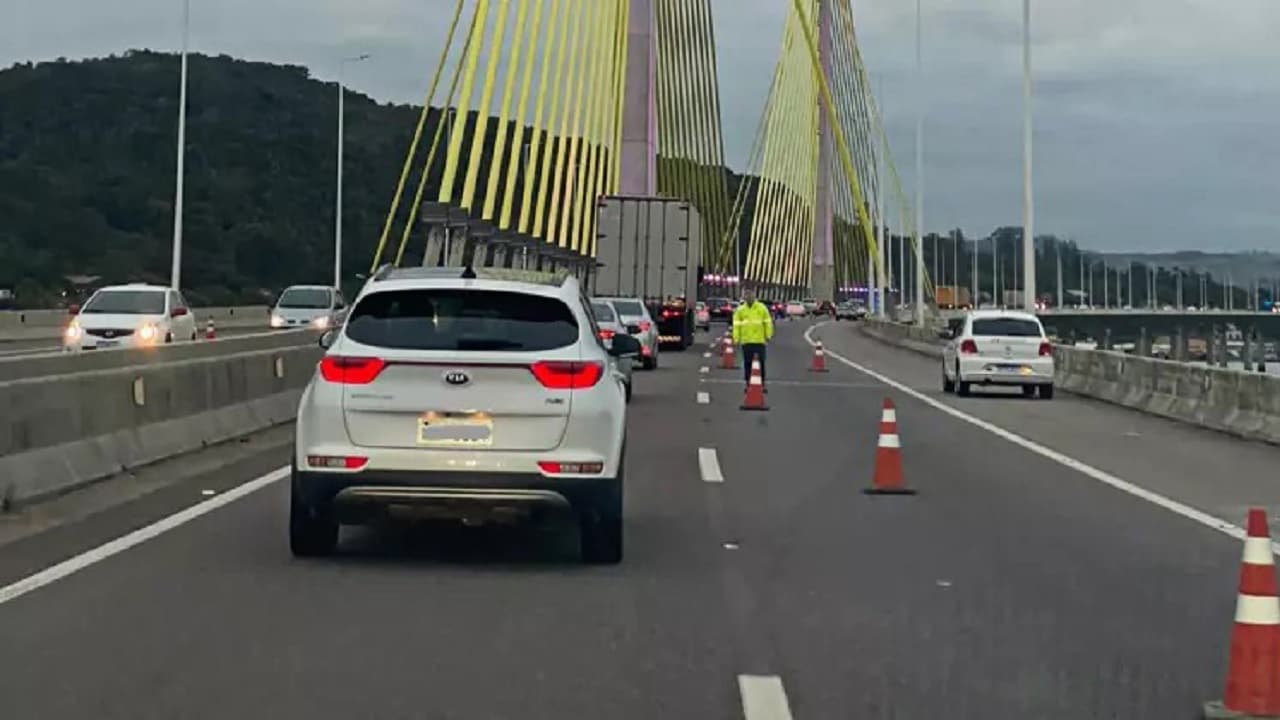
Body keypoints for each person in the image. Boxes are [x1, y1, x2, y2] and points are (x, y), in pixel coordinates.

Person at [732, 289, 774, 393]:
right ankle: (748, 383)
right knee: (747, 364)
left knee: (761, 363)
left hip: (759, 341)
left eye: (750, 295)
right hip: (746, 341)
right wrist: (736, 338)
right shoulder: (741, 310)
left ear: (754, 296)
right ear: (744, 298)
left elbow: (768, 322)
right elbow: (736, 325)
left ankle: (762, 384)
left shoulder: (761, 308)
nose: (749, 297)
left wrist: (768, 335)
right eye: (747, 296)